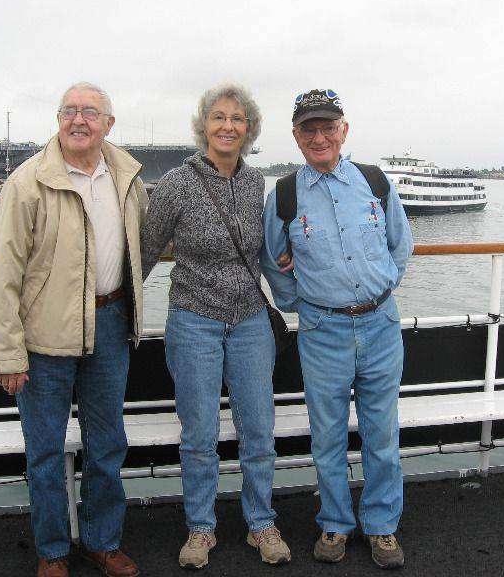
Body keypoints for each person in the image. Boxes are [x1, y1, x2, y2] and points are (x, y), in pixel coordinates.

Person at [0, 82, 148, 577]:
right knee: (45, 451)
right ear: (58, 119)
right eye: (70, 111)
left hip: (110, 324)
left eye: (91, 112)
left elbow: (144, 242)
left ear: (108, 124)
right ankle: (53, 551)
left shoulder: (127, 177)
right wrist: (8, 353)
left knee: (107, 444)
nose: (80, 120)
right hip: (44, 335)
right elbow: (4, 274)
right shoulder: (27, 182)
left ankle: (103, 541)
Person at [261, 89, 413, 569]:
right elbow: (272, 261)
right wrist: (304, 303)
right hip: (322, 331)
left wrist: (378, 290)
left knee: (381, 434)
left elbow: (401, 246)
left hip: (381, 326)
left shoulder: (374, 182)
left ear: (344, 130)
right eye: (309, 129)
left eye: (328, 127)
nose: (319, 137)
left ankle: (382, 526)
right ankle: (335, 523)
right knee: (327, 436)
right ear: (296, 137)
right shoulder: (285, 195)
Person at [141, 83, 291, 570]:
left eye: (237, 119)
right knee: (200, 434)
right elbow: (144, 251)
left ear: (249, 129)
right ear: (203, 126)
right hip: (194, 321)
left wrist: (289, 260)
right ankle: (201, 528)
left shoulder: (255, 182)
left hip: (250, 320)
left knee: (259, 430)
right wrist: (112, 310)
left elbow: (264, 246)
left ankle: (261, 523)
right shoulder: (177, 183)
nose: (228, 126)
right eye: (219, 117)